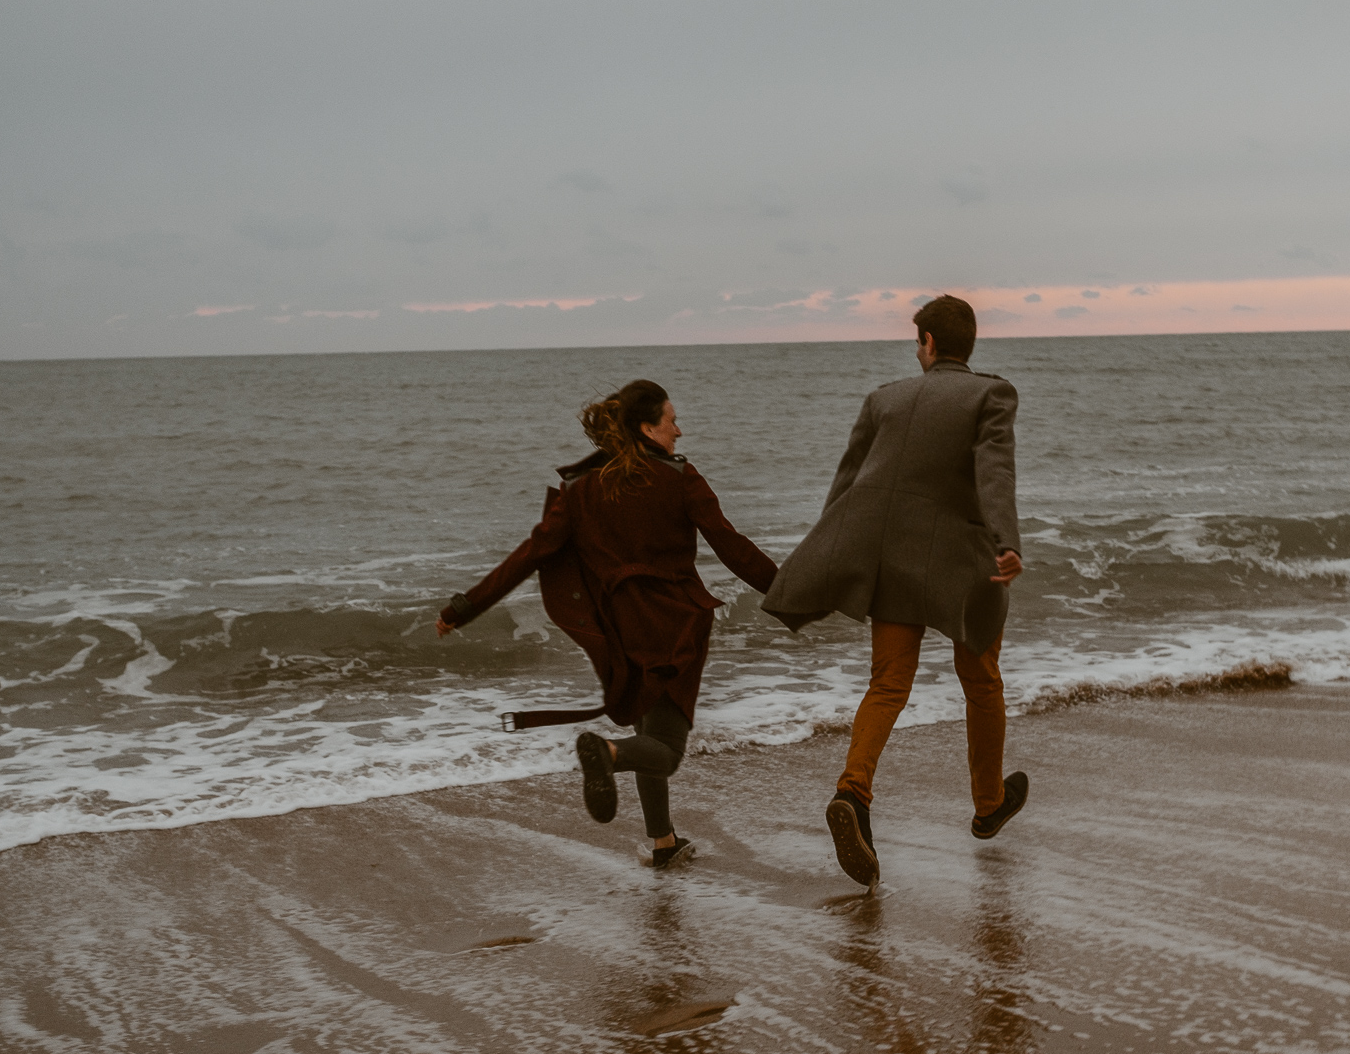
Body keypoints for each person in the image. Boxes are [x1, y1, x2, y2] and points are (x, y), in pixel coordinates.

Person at [436, 380, 779, 869]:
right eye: (671, 420)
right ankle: (608, 754)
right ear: (647, 427)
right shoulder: (680, 478)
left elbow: (530, 555)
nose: (679, 432)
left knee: (647, 728)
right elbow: (732, 545)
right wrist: (792, 593)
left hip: (616, 628)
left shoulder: (579, 489)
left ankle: (662, 842)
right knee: (663, 748)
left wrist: (463, 609)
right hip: (674, 626)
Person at [763, 295, 1027, 887]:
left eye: (918, 341)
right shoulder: (992, 393)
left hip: (890, 564)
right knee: (980, 679)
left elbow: (847, 483)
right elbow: (994, 468)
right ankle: (988, 806)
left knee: (888, 683)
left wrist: (827, 553)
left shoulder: (883, 398)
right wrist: (1007, 540)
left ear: (929, 344)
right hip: (960, 565)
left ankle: (852, 793)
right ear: (969, 344)